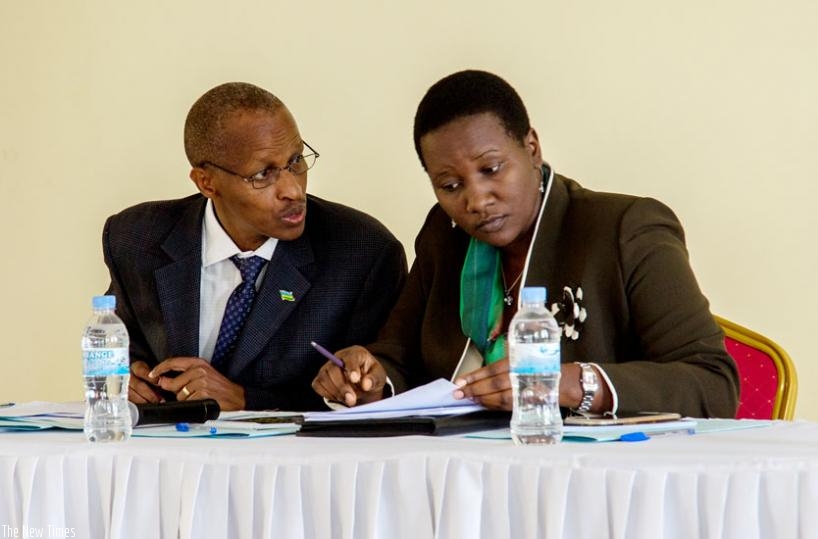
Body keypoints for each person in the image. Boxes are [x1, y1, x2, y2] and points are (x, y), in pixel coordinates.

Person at [312, 70, 739, 418]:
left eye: (492, 169)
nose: (476, 200)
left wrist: (570, 383)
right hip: (463, 473)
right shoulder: (445, 235)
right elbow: (399, 356)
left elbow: (713, 383)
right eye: (450, 184)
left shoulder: (626, 229)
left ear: (532, 148)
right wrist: (366, 379)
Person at [103, 82, 407, 411]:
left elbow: (370, 394)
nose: (293, 190)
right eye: (263, 174)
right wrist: (122, 377)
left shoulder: (361, 253)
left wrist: (245, 401)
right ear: (206, 182)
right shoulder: (137, 238)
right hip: (168, 454)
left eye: (295, 162)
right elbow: (119, 344)